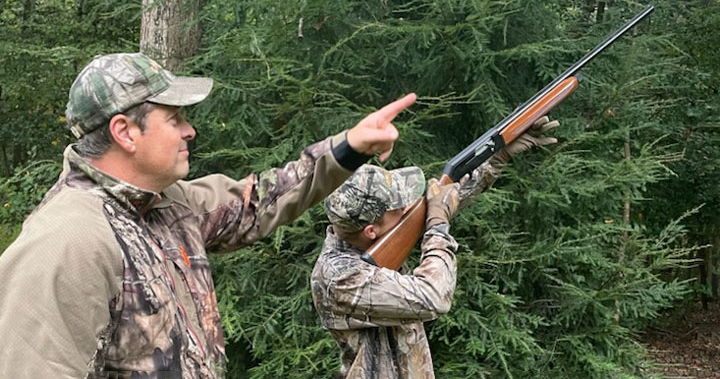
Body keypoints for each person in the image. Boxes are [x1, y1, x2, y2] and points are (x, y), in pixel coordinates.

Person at [0, 52, 418, 378]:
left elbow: (258, 203)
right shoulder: (67, 241)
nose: (189, 130)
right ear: (125, 132)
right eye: (175, 117)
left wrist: (350, 147)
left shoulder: (165, 204)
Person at [310, 116, 559, 378]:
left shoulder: (365, 241)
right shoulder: (340, 278)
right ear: (372, 231)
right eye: (400, 207)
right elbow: (433, 296)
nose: (409, 207)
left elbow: (436, 204)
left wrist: (499, 155)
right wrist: (438, 226)